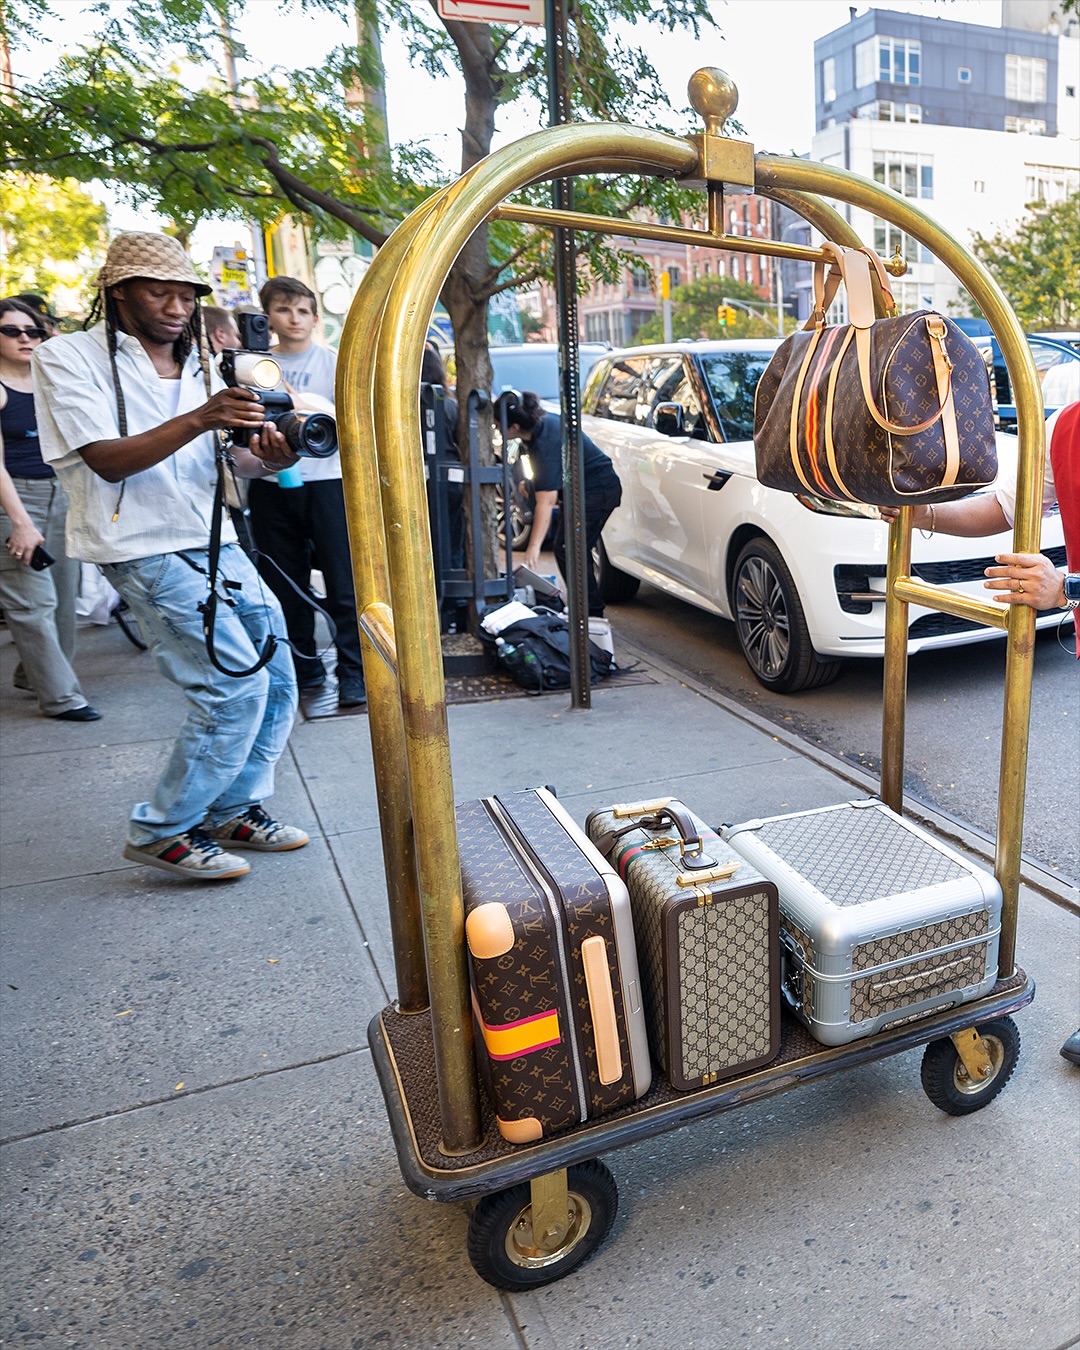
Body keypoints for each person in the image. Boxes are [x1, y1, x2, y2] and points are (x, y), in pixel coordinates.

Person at [33, 231, 308, 882]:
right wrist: (203, 417)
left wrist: (274, 457)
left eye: (187, 293)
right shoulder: (69, 358)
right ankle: (162, 828)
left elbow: (229, 459)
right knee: (231, 689)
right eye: (160, 291)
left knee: (277, 676)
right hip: (142, 547)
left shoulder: (205, 365)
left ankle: (235, 808)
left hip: (214, 535)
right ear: (118, 291)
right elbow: (103, 458)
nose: (177, 305)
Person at [883, 401, 1080, 1065]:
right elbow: (1002, 507)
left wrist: (1067, 588)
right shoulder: (1068, 426)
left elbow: (1062, 584)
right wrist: (920, 512)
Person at [245, 276, 366, 707]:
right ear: (267, 317)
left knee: (345, 582)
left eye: (301, 311)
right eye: (283, 309)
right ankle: (304, 668)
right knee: (284, 582)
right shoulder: (251, 365)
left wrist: (306, 405)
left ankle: (354, 672)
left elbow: (352, 424)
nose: (293, 319)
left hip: (329, 483)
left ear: (316, 318)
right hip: (268, 483)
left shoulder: (336, 363)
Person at [0, 297, 100, 721]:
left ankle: (32, 673)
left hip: (62, 493)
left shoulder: (48, 379)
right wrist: (20, 521)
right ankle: (62, 697)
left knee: (62, 600)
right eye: (12, 331)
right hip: (14, 501)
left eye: (34, 331)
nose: (26, 338)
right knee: (32, 603)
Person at [495, 389, 622, 617]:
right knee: (569, 549)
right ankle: (581, 608)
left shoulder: (547, 439)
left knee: (570, 550)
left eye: (498, 425)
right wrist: (530, 483)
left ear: (513, 427)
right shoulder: (537, 429)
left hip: (597, 490)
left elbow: (547, 502)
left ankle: (591, 613)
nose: (496, 429)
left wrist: (532, 548)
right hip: (578, 492)